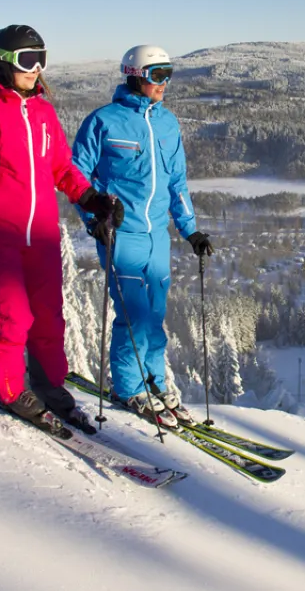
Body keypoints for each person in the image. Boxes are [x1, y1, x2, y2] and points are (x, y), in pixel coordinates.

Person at [0, 24, 122, 434]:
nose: (37, 68)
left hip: (42, 235)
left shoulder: (44, 113)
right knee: (13, 316)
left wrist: (92, 199)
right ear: (2, 63)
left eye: (42, 57)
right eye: (28, 60)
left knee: (48, 318)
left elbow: (62, 168)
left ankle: (49, 387)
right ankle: (9, 389)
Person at [71, 44, 214, 427]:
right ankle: (129, 387)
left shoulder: (168, 124)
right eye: (157, 75)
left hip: (158, 236)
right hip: (121, 235)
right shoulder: (103, 121)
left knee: (154, 315)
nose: (165, 83)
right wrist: (93, 217)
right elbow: (75, 177)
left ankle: (154, 383)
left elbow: (177, 183)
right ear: (135, 76)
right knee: (133, 315)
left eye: (169, 73)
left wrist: (190, 230)